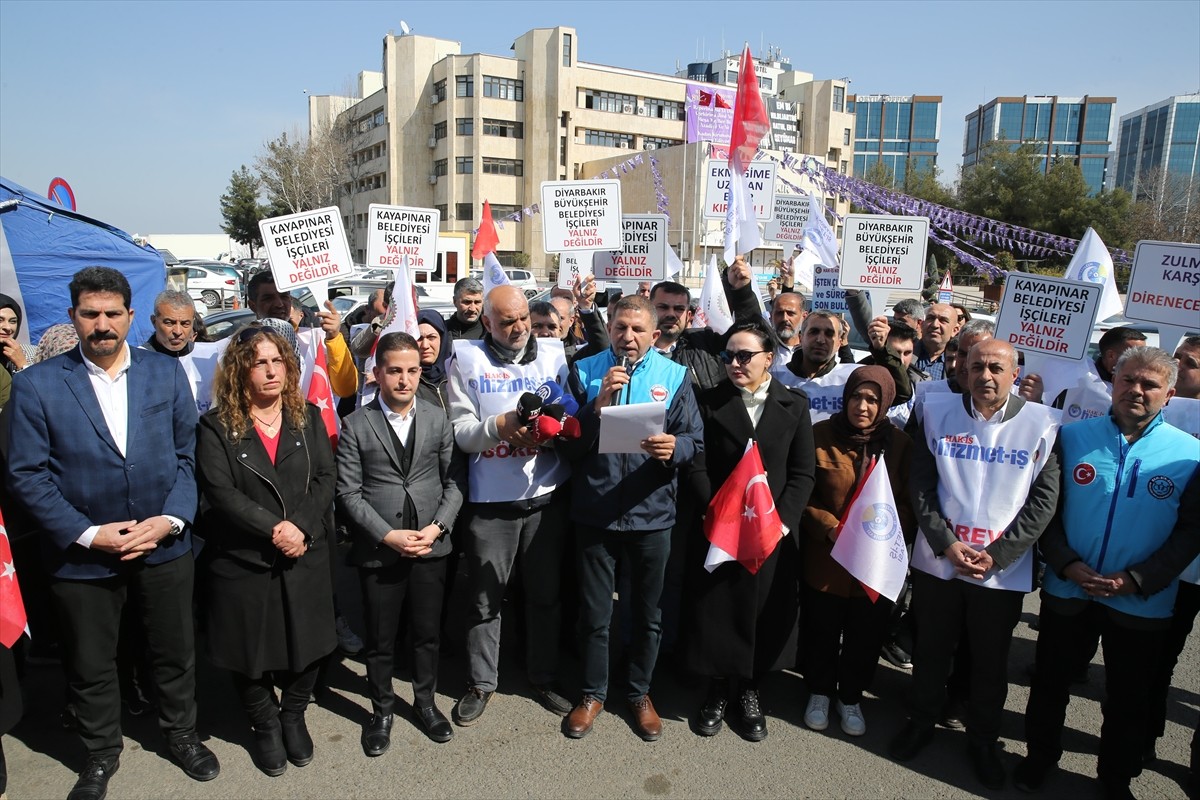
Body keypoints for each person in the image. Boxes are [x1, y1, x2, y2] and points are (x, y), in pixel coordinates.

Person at [5, 266, 219, 799]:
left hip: (163, 546)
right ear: (74, 317)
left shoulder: (164, 375)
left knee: (173, 651)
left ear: (129, 316)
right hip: (82, 557)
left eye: (112, 313)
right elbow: (26, 475)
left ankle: (181, 734)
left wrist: (170, 519)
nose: (102, 325)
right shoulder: (38, 385)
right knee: (91, 661)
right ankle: (100, 753)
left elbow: (188, 458)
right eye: (90, 314)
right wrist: (87, 534)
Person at [1017, 347, 1200, 798]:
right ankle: (1038, 757)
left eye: (1149, 384)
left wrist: (1137, 579)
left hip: (1142, 600)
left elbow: (1192, 531)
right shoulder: (1072, 438)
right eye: (1127, 380)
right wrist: (1067, 564)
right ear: (1113, 382)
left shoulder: (1191, 454)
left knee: (1128, 698)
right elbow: (1047, 514)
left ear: (1169, 394)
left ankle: (1114, 779)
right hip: (1068, 588)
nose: (1135, 390)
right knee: (1050, 683)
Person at [889, 339, 1061, 791]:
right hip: (940, 562)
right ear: (964, 368)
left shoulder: (1043, 424)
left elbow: (1043, 502)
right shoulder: (937, 412)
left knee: (989, 661)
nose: (986, 375)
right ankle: (922, 720)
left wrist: (999, 555)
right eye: (977, 366)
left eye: (996, 368)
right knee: (931, 650)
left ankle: (983, 739)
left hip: (1001, 569)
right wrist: (946, 544)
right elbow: (921, 485)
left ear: (1014, 372)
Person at [194, 324, 337, 777]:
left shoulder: (307, 417)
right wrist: (276, 528)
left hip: (304, 550)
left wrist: (301, 529)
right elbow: (220, 492)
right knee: (248, 651)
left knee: (309, 643)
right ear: (241, 370)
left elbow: (325, 480)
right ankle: (264, 723)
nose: (271, 371)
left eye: (278, 361)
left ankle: (292, 715)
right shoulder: (216, 427)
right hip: (244, 558)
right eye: (260, 362)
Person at [561, 295, 703, 740]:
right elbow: (566, 445)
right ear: (609, 324)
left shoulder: (675, 375)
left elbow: (694, 441)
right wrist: (595, 406)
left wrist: (673, 449)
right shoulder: (584, 370)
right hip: (596, 513)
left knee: (647, 615)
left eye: (638, 329)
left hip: (652, 515)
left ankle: (640, 692)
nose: (628, 337)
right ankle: (592, 693)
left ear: (654, 334)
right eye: (621, 327)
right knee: (596, 614)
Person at [446, 285, 572, 726]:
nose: (518, 328)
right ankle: (481, 681)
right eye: (506, 321)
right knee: (485, 599)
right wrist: (498, 428)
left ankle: (542, 674)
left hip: (545, 497)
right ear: (486, 322)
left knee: (544, 595)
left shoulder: (555, 355)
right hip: (490, 501)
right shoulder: (464, 359)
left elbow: (571, 414)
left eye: (522, 318)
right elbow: (460, 432)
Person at [336, 332, 465, 754]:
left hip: (430, 547)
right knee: (380, 636)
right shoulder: (356, 424)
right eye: (395, 371)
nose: (405, 380)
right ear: (377, 374)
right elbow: (348, 493)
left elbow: (454, 482)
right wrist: (386, 535)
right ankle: (382, 710)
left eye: (412, 371)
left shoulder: (437, 418)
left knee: (427, 633)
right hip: (380, 548)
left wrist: (438, 528)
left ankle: (425, 702)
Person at [687, 320, 815, 742]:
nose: (735, 363)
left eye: (745, 356)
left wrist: (780, 522)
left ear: (769, 359)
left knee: (764, 613)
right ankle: (718, 690)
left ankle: (751, 690)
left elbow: (802, 474)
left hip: (771, 534)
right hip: (722, 532)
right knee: (720, 611)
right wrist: (716, 515)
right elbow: (698, 464)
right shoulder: (708, 403)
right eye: (728, 356)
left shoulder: (795, 406)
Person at [801, 366, 915, 738]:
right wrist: (828, 527)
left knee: (864, 635)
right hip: (827, 559)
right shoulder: (818, 436)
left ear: (884, 404)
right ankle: (818, 692)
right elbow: (802, 494)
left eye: (872, 399)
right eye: (856, 397)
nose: (862, 406)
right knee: (822, 629)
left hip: (873, 565)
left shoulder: (900, 446)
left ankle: (849, 697)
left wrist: (885, 541)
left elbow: (911, 505)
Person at [246, 271, 358, 400]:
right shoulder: (239, 346)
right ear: (252, 305)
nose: (279, 304)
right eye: (268, 298)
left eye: (284, 296)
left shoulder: (316, 340)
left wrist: (334, 337)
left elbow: (346, 389)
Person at [414, 309, 453, 410]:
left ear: (442, 339)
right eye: (419, 338)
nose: (425, 345)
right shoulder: (408, 381)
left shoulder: (457, 374)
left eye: (431, 337)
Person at [143, 290, 196, 357]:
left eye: (185, 324)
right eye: (169, 323)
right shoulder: (136, 361)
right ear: (154, 321)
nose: (178, 332)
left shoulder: (204, 356)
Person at [766, 291, 805, 378]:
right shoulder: (763, 349)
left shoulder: (813, 350)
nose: (785, 319)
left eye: (790, 313)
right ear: (771, 316)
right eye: (779, 313)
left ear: (804, 316)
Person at [0, 294, 34, 379]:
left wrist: (22, 365)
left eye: (13, 321)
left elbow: (36, 390)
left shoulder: (32, 355)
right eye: (0, 320)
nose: (8, 327)